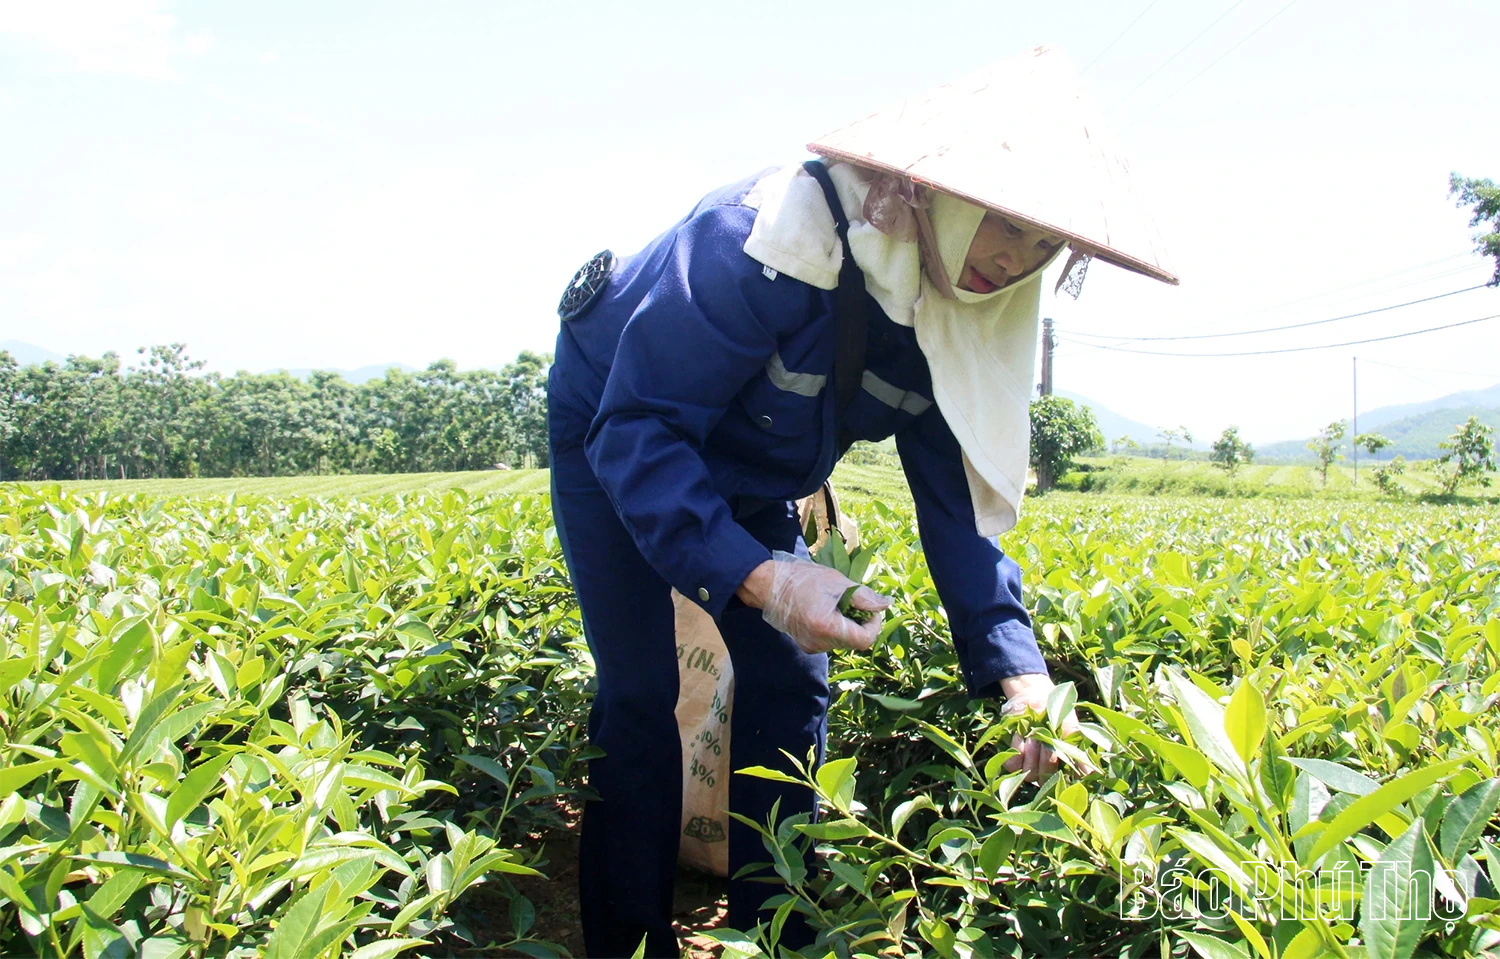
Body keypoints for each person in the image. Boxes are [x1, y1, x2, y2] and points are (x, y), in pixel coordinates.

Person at [545, 47, 1177, 957]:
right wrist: (760, 576)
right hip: (617, 421)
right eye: (1003, 222)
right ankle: (627, 938)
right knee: (640, 689)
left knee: (791, 673)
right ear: (929, 192)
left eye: (1046, 244)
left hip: (756, 458)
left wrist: (1021, 673)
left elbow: (957, 507)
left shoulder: (964, 319)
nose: (1016, 257)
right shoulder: (761, 243)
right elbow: (638, 430)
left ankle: (774, 926)